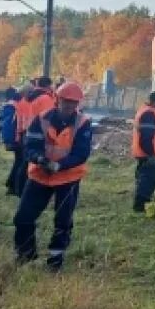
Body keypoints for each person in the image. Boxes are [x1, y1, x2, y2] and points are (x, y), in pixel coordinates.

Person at [15, 81, 93, 272]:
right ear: (57, 100)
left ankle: (55, 260)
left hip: (68, 178)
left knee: (63, 221)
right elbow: (30, 146)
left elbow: (81, 153)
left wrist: (60, 165)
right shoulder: (41, 119)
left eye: (74, 103)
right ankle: (26, 255)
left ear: (78, 104)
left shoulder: (83, 123)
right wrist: (41, 159)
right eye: (66, 101)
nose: (69, 106)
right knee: (23, 217)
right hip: (40, 175)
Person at [0, 88, 25, 196]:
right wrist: (10, 141)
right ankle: (14, 187)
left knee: (19, 162)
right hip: (17, 139)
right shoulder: (13, 107)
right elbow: (9, 125)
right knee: (21, 163)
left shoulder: (12, 106)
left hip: (17, 138)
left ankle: (12, 186)